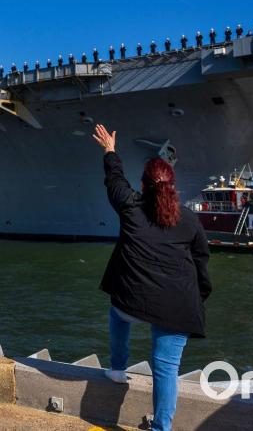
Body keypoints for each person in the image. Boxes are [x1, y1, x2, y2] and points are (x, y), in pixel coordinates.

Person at [92, 124, 212, 431]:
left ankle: (118, 368)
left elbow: (114, 180)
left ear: (144, 186)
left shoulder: (131, 207)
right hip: (178, 305)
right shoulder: (190, 219)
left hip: (134, 298)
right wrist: (202, 292)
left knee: (118, 315)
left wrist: (110, 151)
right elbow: (201, 258)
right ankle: (162, 428)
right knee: (166, 367)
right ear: (173, 186)